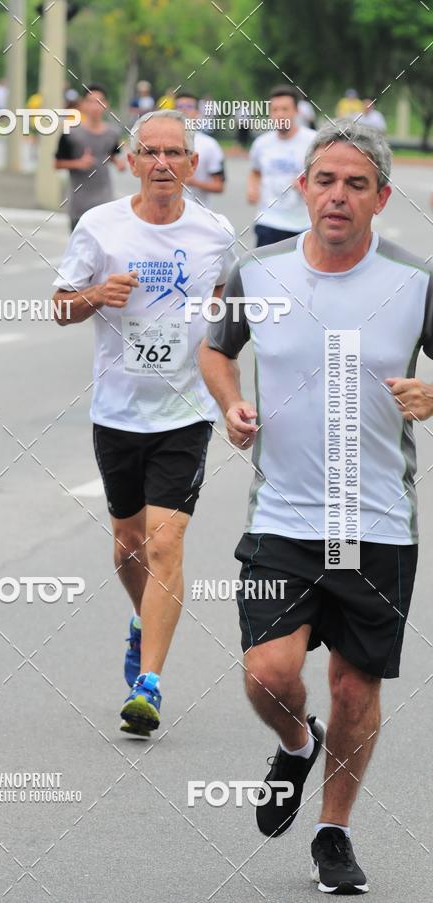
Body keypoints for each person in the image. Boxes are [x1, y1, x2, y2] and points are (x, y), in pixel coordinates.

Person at [199, 120, 433, 895]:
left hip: (376, 524)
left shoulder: (415, 282)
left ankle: (334, 833)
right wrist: (232, 404)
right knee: (268, 673)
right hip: (284, 519)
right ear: (301, 188)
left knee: (354, 689)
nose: (338, 195)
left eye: (356, 184)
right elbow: (215, 348)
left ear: (381, 197)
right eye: (325, 180)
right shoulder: (259, 273)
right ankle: (297, 745)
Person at [51, 109, 236, 735]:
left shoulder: (216, 232)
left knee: (165, 542)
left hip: (185, 412)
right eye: (149, 152)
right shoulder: (99, 227)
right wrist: (95, 298)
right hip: (117, 413)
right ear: (130, 161)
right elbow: (59, 310)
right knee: (129, 545)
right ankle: (142, 619)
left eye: (174, 153)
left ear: (192, 164)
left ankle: (149, 684)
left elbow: (230, 319)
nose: (162, 163)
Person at [247, 85, 315, 247]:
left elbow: (328, 177)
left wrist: (307, 184)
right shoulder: (261, 144)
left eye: (285, 109)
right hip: (269, 220)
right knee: (264, 270)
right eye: (275, 109)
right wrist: (252, 188)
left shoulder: (313, 141)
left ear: (296, 111)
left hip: (302, 223)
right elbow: (255, 172)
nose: (280, 114)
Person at [54, 84, 125, 232]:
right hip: (79, 204)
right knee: (80, 252)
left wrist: (118, 162)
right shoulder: (71, 133)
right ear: (83, 105)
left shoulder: (112, 133)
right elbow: (57, 163)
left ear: (106, 105)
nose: (95, 107)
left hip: (104, 201)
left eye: (99, 102)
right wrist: (78, 163)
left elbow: (111, 154)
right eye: (91, 102)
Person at [174, 92, 225, 208]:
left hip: (199, 215)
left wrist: (194, 182)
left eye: (189, 107)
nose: (183, 111)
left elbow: (219, 186)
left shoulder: (210, 145)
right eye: (179, 107)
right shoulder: (161, 140)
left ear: (197, 112)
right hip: (165, 217)